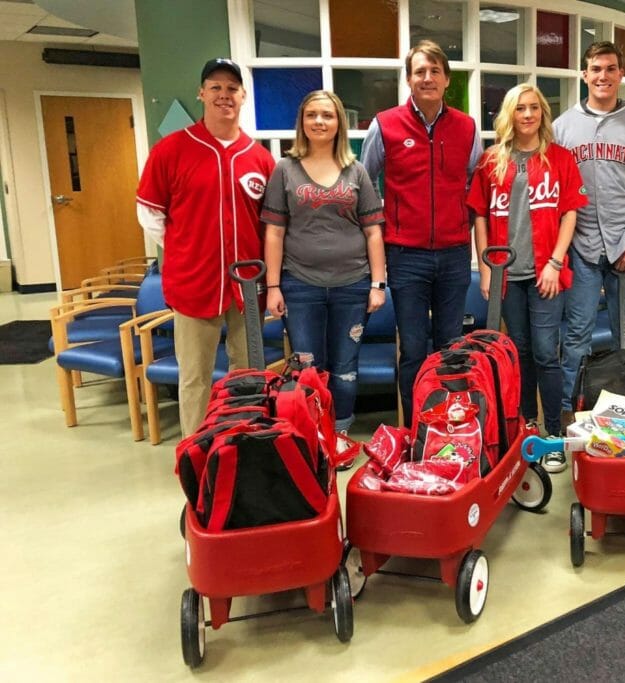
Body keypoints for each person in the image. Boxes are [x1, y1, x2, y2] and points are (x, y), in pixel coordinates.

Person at [136, 58, 275, 438]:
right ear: (202, 93)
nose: (224, 95)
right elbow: (150, 214)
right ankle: (197, 452)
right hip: (194, 284)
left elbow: (272, 227)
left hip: (248, 289)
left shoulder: (260, 158)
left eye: (232, 89)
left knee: (248, 374)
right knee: (195, 377)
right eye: (215, 87)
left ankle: (243, 444)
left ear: (243, 96)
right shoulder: (172, 150)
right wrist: (187, 250)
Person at [361, 40, 483, 425]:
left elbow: (474, 185)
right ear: (409, 79)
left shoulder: (466, 126)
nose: (427, 78)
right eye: (419, 71)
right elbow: (366, 187)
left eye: (434, 71)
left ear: (446, 79)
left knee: (450, 346)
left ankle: (449, 425)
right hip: (405, 254)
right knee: (413, 348)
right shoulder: (385, 124)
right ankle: (417, 427)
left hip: (453, 254)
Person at [467, 84, 587, 472]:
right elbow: (480, 215)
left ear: (543, 115)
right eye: (521, 108)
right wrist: (486, 267)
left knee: (544, 352)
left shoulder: (560, 159)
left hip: (545, 272)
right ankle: (526, 427)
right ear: (509, 114)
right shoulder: (490, 161)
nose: (529, 114)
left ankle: (554, 434)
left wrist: (555, 261)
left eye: (535, 108)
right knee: (517, 353)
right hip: (506, 275)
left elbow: (570, 212)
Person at [261, 90, 386, 441]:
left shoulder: (356, 170)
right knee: (307, 366)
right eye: (312, 115)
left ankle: (342, 432)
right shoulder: (284, 170)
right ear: (302, 122)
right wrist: (272, 286)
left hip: (353, 285)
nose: (319, 121)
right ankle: (314, 436)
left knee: (346, 368)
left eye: (327, 115)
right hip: (300, 285)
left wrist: (378, 284)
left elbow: (373, 232)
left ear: (338, 123)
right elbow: (274, 232)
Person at [554, 40, 625, 431]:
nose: (603, 76)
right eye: (595, 68)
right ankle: (570, 407)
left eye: (610, 68)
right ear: (584, 74)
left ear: (621, 74)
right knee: (577, 333)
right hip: (581, 245)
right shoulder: (562, 127)